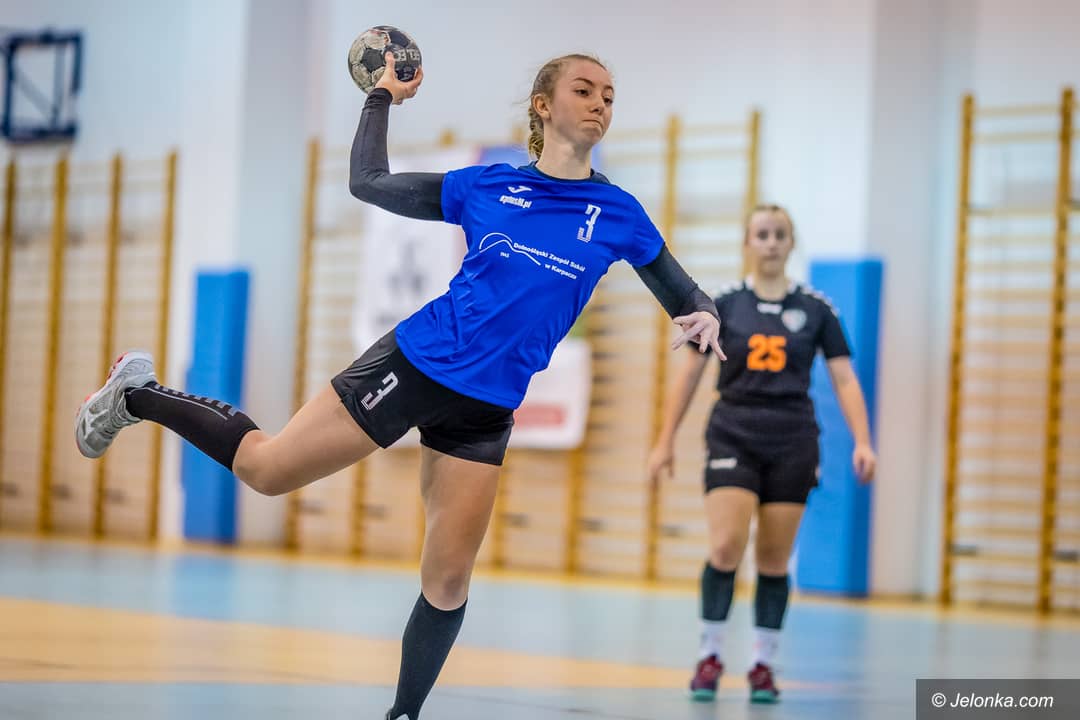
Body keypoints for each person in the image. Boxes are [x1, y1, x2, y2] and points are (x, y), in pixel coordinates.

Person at [76, 51, 723, 720]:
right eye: (584, 90)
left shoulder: (618, 213)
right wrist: (380, 97)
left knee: (448, 580)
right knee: (266, 471)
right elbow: (368, 181)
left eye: (609, 96)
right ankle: (136, 393)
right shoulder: (487, 187)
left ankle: (402, 715)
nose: (599, 104)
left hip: (488, 407)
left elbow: (686, 296)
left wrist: (703, 315)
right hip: (415, 365)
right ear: (542, 105)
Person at [647, 204, 876, 704]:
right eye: (762, 234)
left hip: (793, 439)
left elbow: (843, 378)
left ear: (791, 243)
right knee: (727, 546)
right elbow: (689, 376)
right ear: (748, 243)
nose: (771, 242)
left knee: (773, 557)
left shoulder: (817, 309)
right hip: (734, 432)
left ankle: (763, 664)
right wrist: (664, 441)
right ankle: (710, 655)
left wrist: (863, 439)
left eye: (779, 234)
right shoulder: (723, 306)